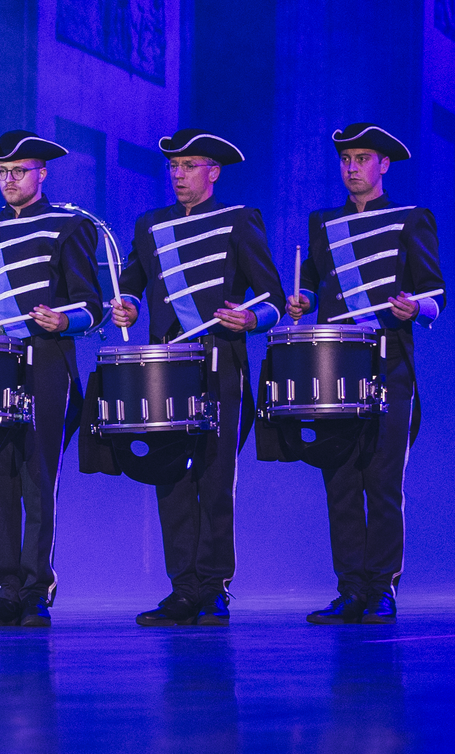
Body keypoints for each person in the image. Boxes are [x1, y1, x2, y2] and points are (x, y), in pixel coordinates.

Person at [108, 131, 282, 626]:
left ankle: (214, 587)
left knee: (215, 477)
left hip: (221, 364)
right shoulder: (150, 224)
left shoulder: (239, 219)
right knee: (171, 476)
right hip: (166, 368)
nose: (179, 174)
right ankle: (183, 589)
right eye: (174, 166)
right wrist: (127, 304)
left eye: (190, 165)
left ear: (214, 171)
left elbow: (270, 296)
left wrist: (252, 319)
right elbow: (133, 284)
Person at [0, 130, 109, 628]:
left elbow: (91, 305)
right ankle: (6, 587)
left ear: (42, 174)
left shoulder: (70, 225)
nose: (9, 180)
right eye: (3, 173)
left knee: (37, 477)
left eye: (20, 171)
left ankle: (37, 587)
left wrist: (65, 319)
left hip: (47, 362)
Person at [283, 123, 446, 624]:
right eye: (346, 159)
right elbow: (312, 279)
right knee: (340, 481)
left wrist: (413, 306)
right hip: (333, 365)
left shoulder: (410, 219)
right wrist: (302, 298)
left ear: (383, 166)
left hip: (389, 362)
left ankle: (382, 589)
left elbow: (436, 294)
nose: (351, 167)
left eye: (361, 158)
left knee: (382, 482)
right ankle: (350, 589)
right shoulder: (322, 221)